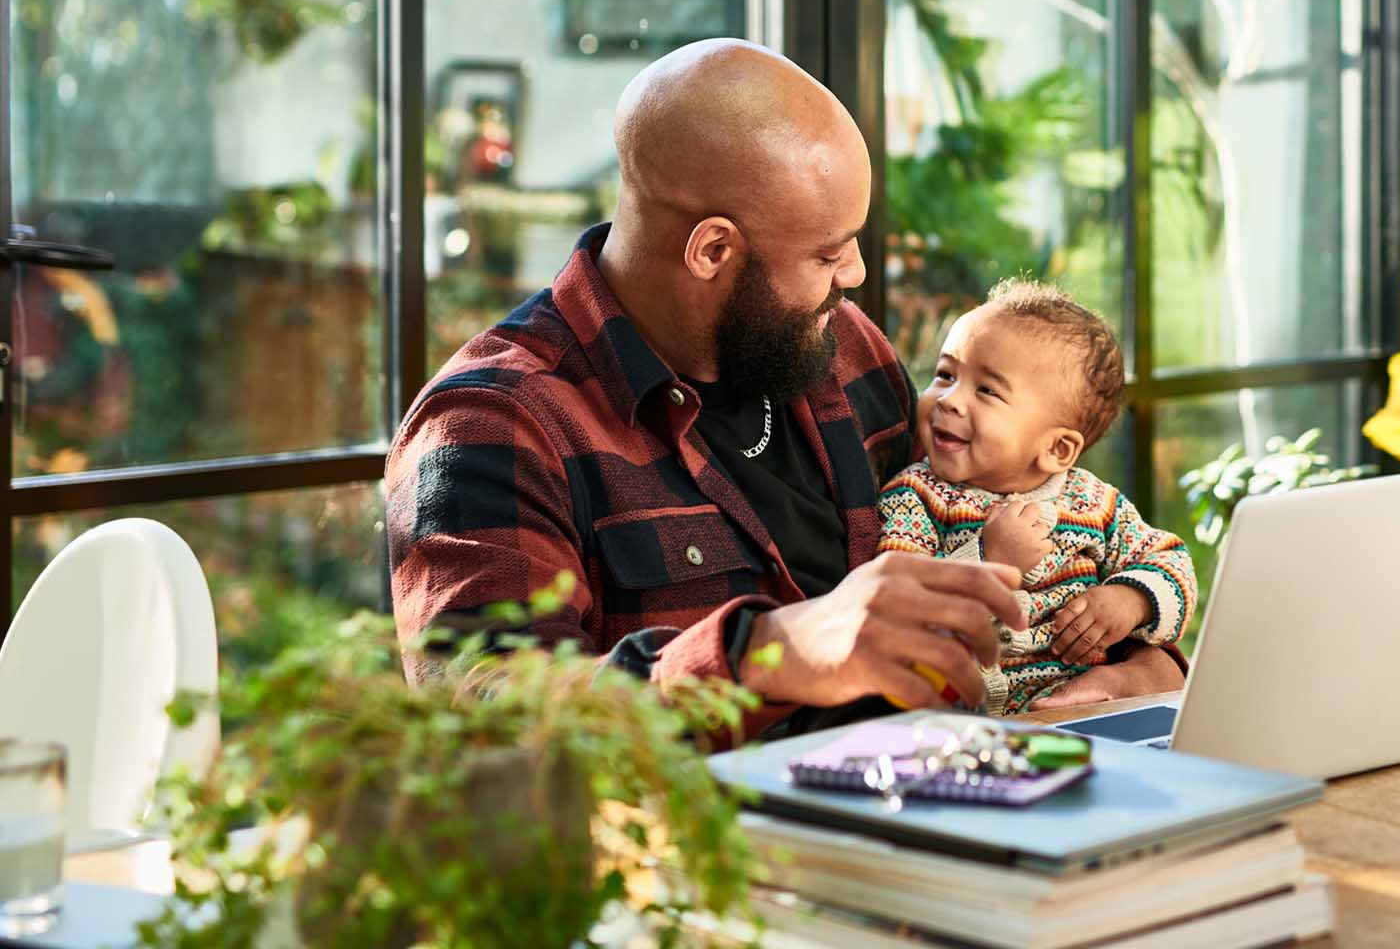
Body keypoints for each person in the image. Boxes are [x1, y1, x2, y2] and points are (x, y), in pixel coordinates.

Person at [385, 40, 1182, 744]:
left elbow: (973, 556)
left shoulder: (842, 350)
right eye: (829, 253)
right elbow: (491, 726)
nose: (857, 277)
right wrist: (769, 655)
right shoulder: (496, 424)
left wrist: (1137, 667)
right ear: (713, 249)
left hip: (929, 819)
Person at [878, 280, 1196, 715]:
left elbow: (1172, 562)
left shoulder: (1094, 504)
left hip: (1088, 713)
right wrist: (990, 560)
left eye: (986, 390)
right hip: (967, 726)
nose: (949, 401)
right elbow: (896, 605)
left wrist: (1130, 599)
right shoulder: (916, 497)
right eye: (945, 375)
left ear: (1056, 450)